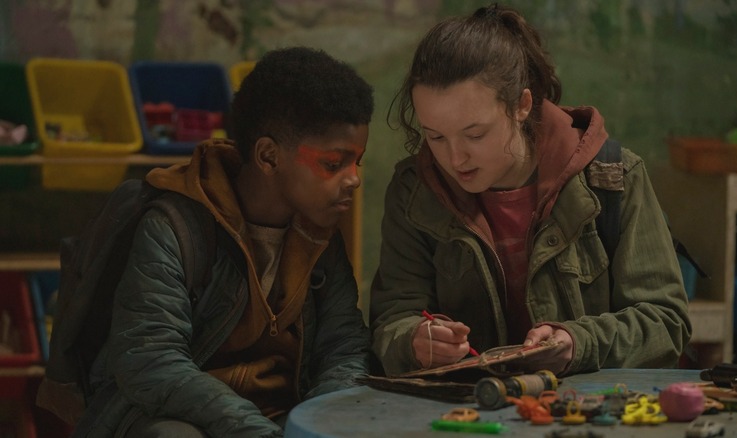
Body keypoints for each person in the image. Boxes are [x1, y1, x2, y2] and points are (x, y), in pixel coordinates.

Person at [369, 4, 691, 378]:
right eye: (435, 136)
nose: (455, 158)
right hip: (466, 417)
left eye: (475, 134)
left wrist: (576, 343)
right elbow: (392, 317)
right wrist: (415, 342)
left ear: (521, 105)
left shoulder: (612, 177)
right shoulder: (415, 193)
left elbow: (666, 323)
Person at [71, 47, 374, 437]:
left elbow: (344, 349)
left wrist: (319, 423)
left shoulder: (319, 234)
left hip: (281, 416)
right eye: (333, 164)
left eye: (357, 163)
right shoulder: (174, 227)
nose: (353, 180)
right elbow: (151, 362)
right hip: (177, 416)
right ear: (268, 157)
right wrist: (254, 430)